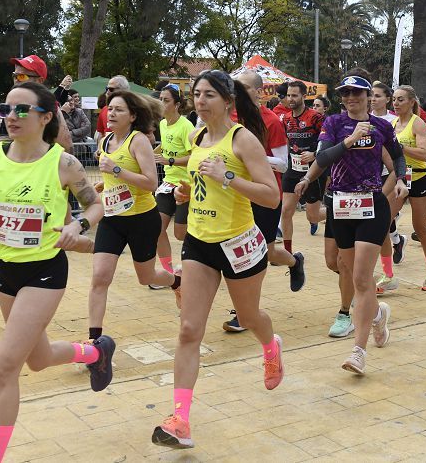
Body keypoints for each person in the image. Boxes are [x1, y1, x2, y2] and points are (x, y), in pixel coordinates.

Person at [0, 82, 107, 463]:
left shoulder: (63, 163)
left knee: (4, 367)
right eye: (5, 109)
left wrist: (77, 226)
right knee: (38, 358)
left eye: (20, 110)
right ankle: (94, 354)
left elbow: (95, 206)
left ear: (46, 117)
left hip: (44, 272)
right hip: (5, 271)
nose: (10, 117)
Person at [151, 70, 283, 449]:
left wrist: (227, 177)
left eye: (208, 94)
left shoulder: (244, 140)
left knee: (249, 317)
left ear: (228, 101)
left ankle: (270, 346)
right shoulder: (195, 136)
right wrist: (185, 191)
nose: (200, 100)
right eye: (196, 94)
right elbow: (199, 181)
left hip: (238, 244)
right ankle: (181, 419)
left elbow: (270, 196)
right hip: (199, 242)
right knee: (189, 330)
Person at [295, 74, 407, 374]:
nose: (350, 98)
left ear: (368, 96)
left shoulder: (383, 126)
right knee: (346, 270)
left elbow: (398, 158)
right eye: (345, 94)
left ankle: (358, 351)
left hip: (372, 204)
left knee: (360, 278)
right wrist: (308, 178)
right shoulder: (333, 124)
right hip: (341, 205)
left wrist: (401, 180)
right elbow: (323, 157)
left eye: (356, 93)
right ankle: (376, 315)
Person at [0, 54, 72, 327]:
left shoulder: (46, 108)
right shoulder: (14, 108)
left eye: (22, 76)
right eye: (15, 76)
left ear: (39, 81)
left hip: (40, 194)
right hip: (9, 184)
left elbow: (66, 144)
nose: (15, 80)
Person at [89, 90, 180, 342]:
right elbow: (114, 179)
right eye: (110, 108)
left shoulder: (138, 140)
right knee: (99, 277)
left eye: (119, 109)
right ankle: (94, 339)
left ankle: (176, 282)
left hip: (141, 219)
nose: (112, 113)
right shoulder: (105, 141)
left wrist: (116, 169)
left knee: (146, 277)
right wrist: (105, 185)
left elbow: (151, 182)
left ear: (132, 116)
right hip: (112, 219)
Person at [225, 70, 303, 336]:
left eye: (244, 88)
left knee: (263, 254)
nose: (237, 93)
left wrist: (250, 158)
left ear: (259, 92)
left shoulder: (270, 120)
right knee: (242, 254)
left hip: (266, 197)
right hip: (235, 197)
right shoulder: (228, 119)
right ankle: (242, 310)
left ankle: (293, 262)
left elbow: (284, 163)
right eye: (235, 88)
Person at [379, 85, 426, 293]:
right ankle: (387, 275)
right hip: (399, 179)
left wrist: (401, 148)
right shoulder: (392, 123)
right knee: (383, 225)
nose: (395, 103)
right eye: (394, 99)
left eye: (400, 99)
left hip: (420, 179)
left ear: (412, 101)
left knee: (420, 228)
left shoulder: (418, 123)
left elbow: (425, 154)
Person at [278, 80, 327, 250]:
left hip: (313, 171)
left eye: (294, 95)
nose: (290, 99)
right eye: (288, 95)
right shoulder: (285, 118)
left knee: (313, 216)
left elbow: (328, 141)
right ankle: (288, 251)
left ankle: (339, 210)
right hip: (293, 169)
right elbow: (286, 141)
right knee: (286, 211)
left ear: (304, 97)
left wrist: (314, 154)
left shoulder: (316, 117)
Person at [153, 84, 194, 274]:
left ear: (177, 104)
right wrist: (149, 153)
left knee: (180, 234)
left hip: (185, 186)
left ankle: (198, 264)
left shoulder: (186, 126)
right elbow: (165, 146)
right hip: (167, 184)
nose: (161, 103)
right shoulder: (162, 124)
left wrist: (171, 160)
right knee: (157, 229)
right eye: (160, 99)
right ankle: (169, 272)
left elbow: (194, 156)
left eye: (166, 100)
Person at [94, 76, 132, 143]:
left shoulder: (134, 109)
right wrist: (100, 149)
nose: (107, 92)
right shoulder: (104, 109)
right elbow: (100, 134)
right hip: (108, 151)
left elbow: (149, 136)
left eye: (111, 89)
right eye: (106, 89)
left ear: (123, 90)